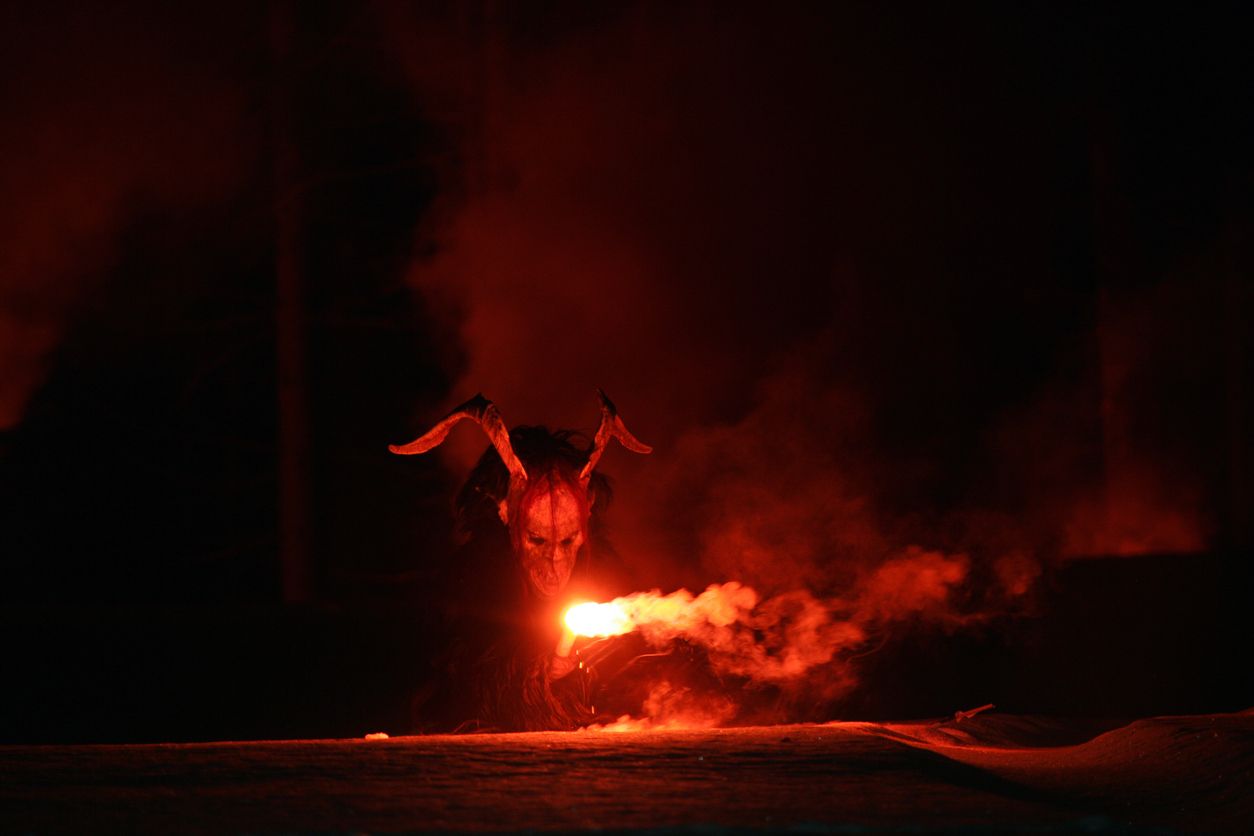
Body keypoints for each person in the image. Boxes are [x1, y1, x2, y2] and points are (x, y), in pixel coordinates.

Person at [391, 392, 649, 731]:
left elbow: (634, 687)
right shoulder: (470, 593)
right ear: (503, 511)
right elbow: (454, 692)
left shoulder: (608, 582)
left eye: (567, 541)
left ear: (587, 510)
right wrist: (536, 673)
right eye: (537, 540)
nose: (555, 563)